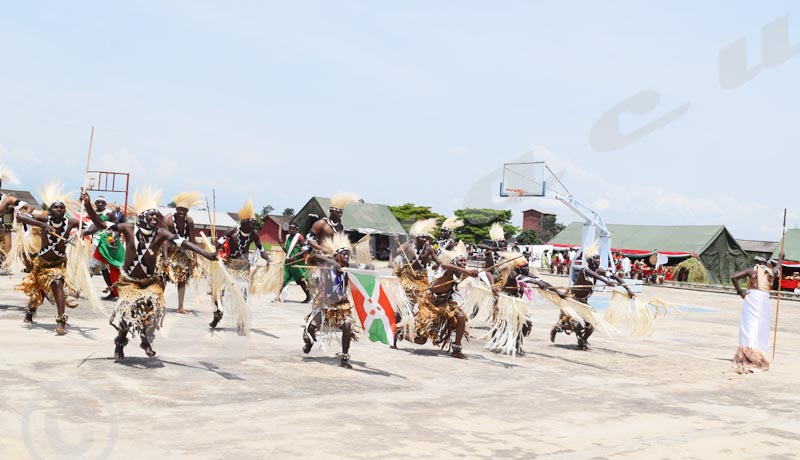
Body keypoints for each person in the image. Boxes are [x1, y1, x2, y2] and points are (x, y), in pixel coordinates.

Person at [85, 186, 218, 360]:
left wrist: (206, 254)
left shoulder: (161, 233)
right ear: (141, 218)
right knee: (127, 315)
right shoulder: (128, 228)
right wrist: (88, 205)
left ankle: (146, 340)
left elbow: (183, 242)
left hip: (149, 281)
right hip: (129, 281)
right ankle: (119, 343)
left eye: (157, 215)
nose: (155, 217)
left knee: (156, 310)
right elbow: (100, 224)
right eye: (151, 215)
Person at [14, 184, 94, 334]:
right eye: (55, 207)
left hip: (59, 265)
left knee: (58, 284)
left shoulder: (70, 223)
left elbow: (95, 224)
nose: (58, 210)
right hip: (42, 265)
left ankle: (61, 320)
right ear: (50, 209)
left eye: (61, 208)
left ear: (65, 210)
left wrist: (85, 229)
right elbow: (19, 215)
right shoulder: (43, 218)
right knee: (39, 291)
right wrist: (42, 225)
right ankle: (30, 311)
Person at [302, 233, 365, 369]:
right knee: (311, 328)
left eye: (349, 254)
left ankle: (344, 358)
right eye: (344, 254)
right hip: (324, 304)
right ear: (337, 255)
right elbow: (313, 256)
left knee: (347, 327)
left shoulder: (348, 268)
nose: (347, 257)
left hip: (342, 306)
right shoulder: (327, 265)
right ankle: (309, 342)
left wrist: (368, 270)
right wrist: (332, 262)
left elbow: (368, 269)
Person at [210, 198, 272, 332]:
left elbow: (261, 250)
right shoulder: (231, 231)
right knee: (218, 292)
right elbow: (218, 244)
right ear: (244, 223)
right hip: (228, 265)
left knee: (242, 295)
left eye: (255, 223)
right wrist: (216, 247)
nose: (255, 226)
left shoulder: (254, 234)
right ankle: (217, 315)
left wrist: (268, 259)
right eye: (252, 223)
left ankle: (241, 321)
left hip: (244, 267)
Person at [550, 252, 634, 350]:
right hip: (573, 300)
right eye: (595, 259)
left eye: (599, 259)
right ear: (590, 261)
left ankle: (583, 340)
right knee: (577, 324)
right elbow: (595, 275)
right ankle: (558, 327)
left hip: (584, 301)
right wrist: (606, 282)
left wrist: (628, 290)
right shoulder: (585, 270)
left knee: (592, 324)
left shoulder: (599, 271)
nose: (598, 261)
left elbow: (615, 277)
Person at [412, 242, 477, 359]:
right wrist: (466, 272)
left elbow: (484, 274)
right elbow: (444, 265)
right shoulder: (446, 272)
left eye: (464, 261)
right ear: (454, 262)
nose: (463, 263)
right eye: (460, 261)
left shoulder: (460, 273)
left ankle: (457, 349)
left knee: (461, 316)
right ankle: (399, 332)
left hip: (446, 302)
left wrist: (472, 274)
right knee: (421, 340)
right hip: (431, 304)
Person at [391, 218, 440, 348]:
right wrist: (396, 243)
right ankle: (394, 336)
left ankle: (417, 329)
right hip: (408, 278)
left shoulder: (429, 249)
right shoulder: (408, 245)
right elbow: (395, 253)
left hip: (422, 279)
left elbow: (438, 261)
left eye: (425, 237)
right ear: (416, 237)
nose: (424, 239)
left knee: (425, 303)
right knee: (405, 306)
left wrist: (437, 266)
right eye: (422, 237)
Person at [731, 255, 781, 372]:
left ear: (757, 261)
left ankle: (748, 352)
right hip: (764, 299)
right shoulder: (771, 272)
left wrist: (740, 292)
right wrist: (780, 258)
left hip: (752, 298)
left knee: (749, 325)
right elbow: (778, 267)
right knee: (761, 326)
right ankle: (759, 352)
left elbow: (734, 277)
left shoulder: (751, 270)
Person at [164, 191, 203, 314]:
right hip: (168, 250)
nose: (182, 212)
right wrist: (165, 257)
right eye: (180, 210)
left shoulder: (189, 221)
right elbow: (164, 240)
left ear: (187, 211)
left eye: (184, 210)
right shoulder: (168, 220)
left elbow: (192, 240)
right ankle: (159, 302)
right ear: (176, 209)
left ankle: (180, 306)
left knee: (183, 276)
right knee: (162, 275)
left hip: (182, 251)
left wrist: (195, 258)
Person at [89, 196, 125, 301]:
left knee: (91, 266)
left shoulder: (109, 214)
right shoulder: (94, 213)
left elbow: (118, 227)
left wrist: (114, 237)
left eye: (102, 202)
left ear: (105, 204)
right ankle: (112, 291)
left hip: (106, 244)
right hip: (97, 242)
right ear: (95, 203)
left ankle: (82, 289)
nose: (100, 204)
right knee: (104, 269)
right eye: (98, 202)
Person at [280, 222, 311, 303]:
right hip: (288, 263)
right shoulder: (288, 238)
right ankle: (277, 296)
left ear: (297, 229)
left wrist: (294, 256)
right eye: (290, 229)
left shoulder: (300, 237)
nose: (291, 230)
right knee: (283, 279)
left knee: (300, 281)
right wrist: (280, 227)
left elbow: (305, 250)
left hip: (297, 263)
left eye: (293, 229)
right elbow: (286, 249)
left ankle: (308, 296)